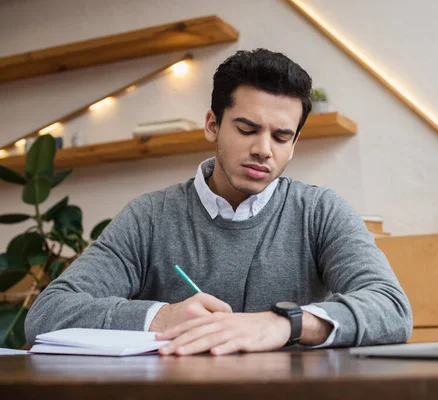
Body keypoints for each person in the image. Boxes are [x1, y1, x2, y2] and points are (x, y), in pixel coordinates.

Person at [25, 48, 412, 356]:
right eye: (247, 129)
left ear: (294, 145)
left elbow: (391, 308)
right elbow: (47, 312)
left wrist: (284, 324)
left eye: (281, 137)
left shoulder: (320, 212)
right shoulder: (150, 217)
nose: (263, 150)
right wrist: (161, 316)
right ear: (213, 124)